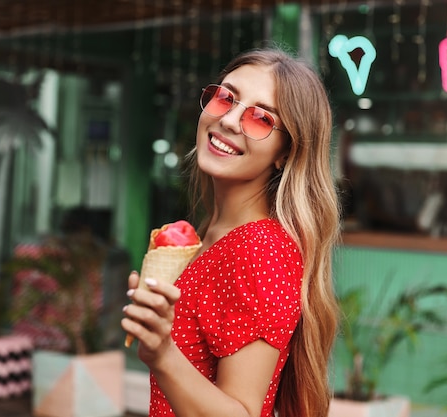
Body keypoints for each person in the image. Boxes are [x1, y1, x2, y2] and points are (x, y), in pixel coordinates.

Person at [121, 47, 340, 417]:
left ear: (286, 153)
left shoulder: (259, 249)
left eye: (261, 118)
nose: (229, 120)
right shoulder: (211, 234)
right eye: (226, 98)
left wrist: (162, 353)